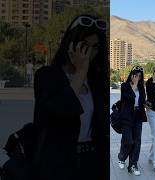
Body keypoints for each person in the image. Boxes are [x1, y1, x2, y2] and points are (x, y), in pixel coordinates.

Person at [33, 14, 108, 180]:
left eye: (95, 47)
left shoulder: (97, 82)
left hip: (92, 162)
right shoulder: (47, 76)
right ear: (70, 44)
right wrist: (80, 71)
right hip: (58, 163)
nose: (89, 52)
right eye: (84, 45)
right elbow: (57, 112)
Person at [117, 66, 147, 176]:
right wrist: (133, 86)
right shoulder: (125, 86)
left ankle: (133, 165)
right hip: (127, 116)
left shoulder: (141, 88)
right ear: (132, 75)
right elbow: (127, 98)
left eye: (139, 76)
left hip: (138, 115)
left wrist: (146, 104)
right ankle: (122, 157)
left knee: (137, 141)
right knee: (128, 140)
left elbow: (142, 100)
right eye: (136, 75)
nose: (137, 78)